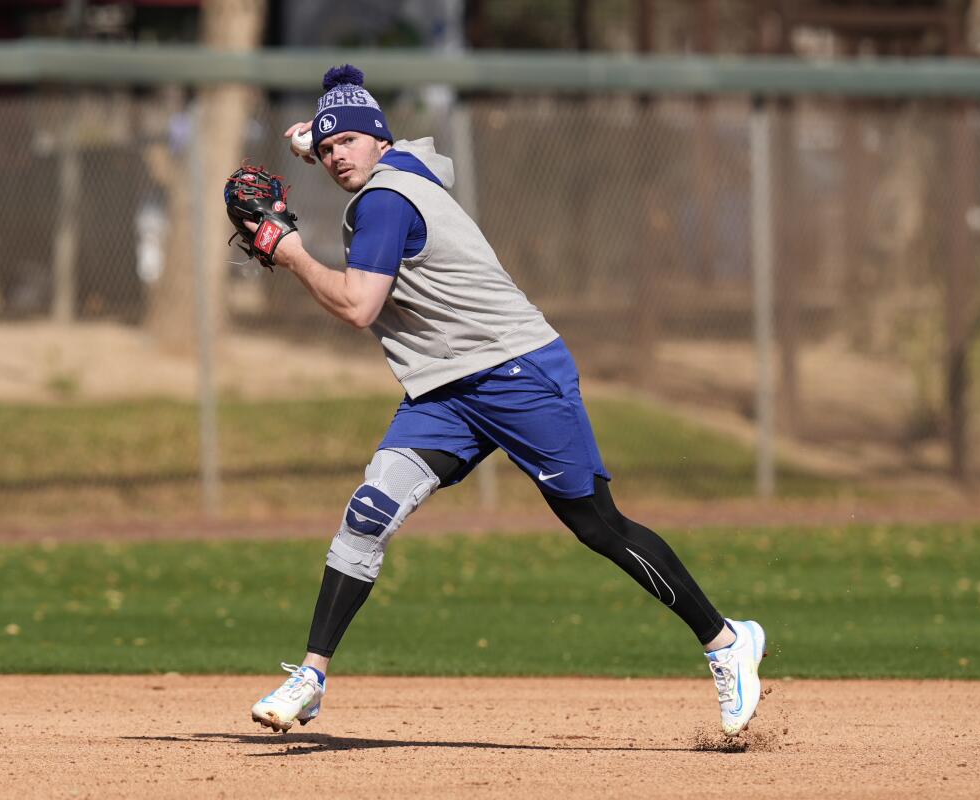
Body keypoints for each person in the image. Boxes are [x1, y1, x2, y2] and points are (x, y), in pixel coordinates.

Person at [247, 65, 766, 738]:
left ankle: (726, 642)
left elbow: (356, 306)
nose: (337, 154)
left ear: (379, 142)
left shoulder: (385, 202)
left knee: (597, 525)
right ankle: (311, 676)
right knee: (369, 511)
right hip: (445, 389)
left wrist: (289, 252)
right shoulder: (404, 166)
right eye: (327, 148)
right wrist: (309, 140)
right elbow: (358, 149)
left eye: (349, 141)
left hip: (517, 372)